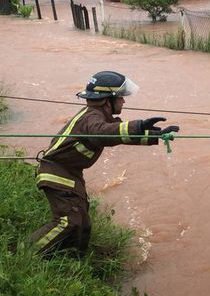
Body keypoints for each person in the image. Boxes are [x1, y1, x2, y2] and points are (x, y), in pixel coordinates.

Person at [30, 71, 180, 256]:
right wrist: (138, 125)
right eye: (121, 98)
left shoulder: (97, 116)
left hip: (69, 174)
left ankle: (71, 259)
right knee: (68, 222)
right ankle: (25, 254)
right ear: (108, 99)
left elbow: (117, 135)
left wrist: (155, 135)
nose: (124, 102)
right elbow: (105, 133)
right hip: (57, 174)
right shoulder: (92, 119)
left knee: (82, 223)